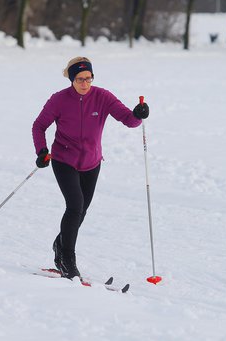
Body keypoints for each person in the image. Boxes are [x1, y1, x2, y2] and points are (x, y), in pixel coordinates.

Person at [32, 56, 149, 279]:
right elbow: (39, 126)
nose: (85, 84)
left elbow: (129, 120)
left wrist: (138, 114)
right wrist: (41, 151)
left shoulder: (102, 96)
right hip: (64, 160)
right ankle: (67, 259)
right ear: (71, 80)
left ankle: (60, 244)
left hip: (92, 163)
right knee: (75, 206)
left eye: (88, 78)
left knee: (81, 211)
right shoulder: (59, 100)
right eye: (80, 79)